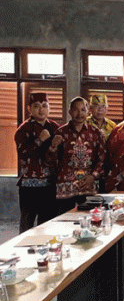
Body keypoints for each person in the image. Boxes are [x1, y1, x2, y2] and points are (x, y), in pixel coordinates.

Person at [47, 97, 106, 214]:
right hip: (65, 187)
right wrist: (52, 147)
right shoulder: (61, 132)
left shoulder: (96, 133)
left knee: (90, 220)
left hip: (88, 185)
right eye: (75, 110)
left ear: (88, 112)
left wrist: (93, 176)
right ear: (70, 112)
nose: (79, 114)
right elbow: (51, 161)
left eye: (83, 110)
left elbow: (102, 158)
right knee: (65, 223)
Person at [14, 92, 60, 233]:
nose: (41, 109)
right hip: (29, 186)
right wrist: (40, 140)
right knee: (27, 224)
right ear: (29, 109)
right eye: (36, 106)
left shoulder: (55, 127)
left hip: (50, 185)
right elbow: (23, 154)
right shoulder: (23, 129)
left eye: (45, 106)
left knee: (47, 224)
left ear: (49, 108)